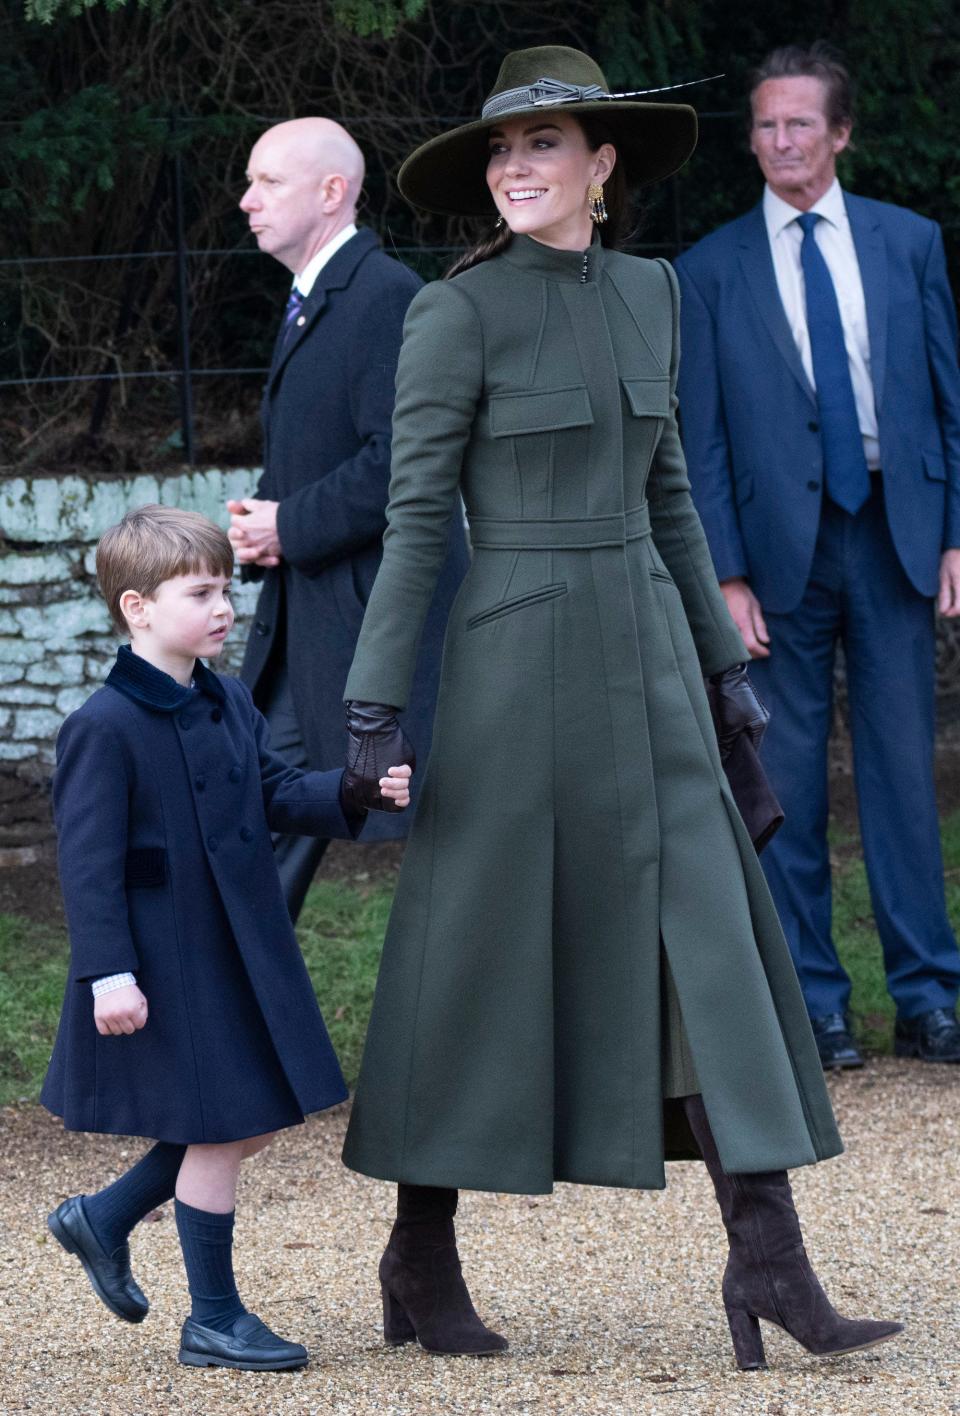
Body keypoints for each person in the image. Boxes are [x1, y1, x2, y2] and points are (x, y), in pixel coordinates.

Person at [337, 45, 902, 1370]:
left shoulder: (653, 293)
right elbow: (416, 523)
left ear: (602, 165)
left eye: (545, 147)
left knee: (708, 946)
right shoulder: (454, 315)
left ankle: (768, 1259)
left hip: (650, 655)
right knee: (483, 959)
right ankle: (420, 1255)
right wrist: (371, 712)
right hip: (513, 673)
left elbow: (670, 500)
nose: (516, 169)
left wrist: (725, 678)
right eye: (500, 150)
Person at [41, 505, 411, 1372]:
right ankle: (212, 1317)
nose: (222, 607)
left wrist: (355, 791)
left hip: (238, 943)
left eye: (225, 588)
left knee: (246, 1115)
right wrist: (109, 976)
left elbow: (277, 791)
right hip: (164, 960)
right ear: (138, 609)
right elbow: (87, 868)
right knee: (221, 1126)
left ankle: (104, 1216)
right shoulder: (103, 725)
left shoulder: (225, 699)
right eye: (200, 592)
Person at [675, 44, 960, 1070]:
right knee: (783, 782)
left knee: (900, 774)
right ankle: (812, 1003)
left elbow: (945, 395)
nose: (780, 140)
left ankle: (929, 997)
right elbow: (698, 438)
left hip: (893, 536)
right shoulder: (707, 272)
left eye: (800, 123)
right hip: (771, 561)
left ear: (840, 133)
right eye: (764, 124)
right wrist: (724, 573)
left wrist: (955, 530)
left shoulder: (910, 243)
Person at [231, 117, 467, 922]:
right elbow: (324, 448)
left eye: (268, 182)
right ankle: (235, 1012)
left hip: (364, 624)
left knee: (265, 820)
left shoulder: (386, 295)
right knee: (258, 818)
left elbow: (403, 462)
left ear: (333, 192)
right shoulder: (314, 298)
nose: (245, 201)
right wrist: (261, 522)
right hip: (315, 617)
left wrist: (287, 525)